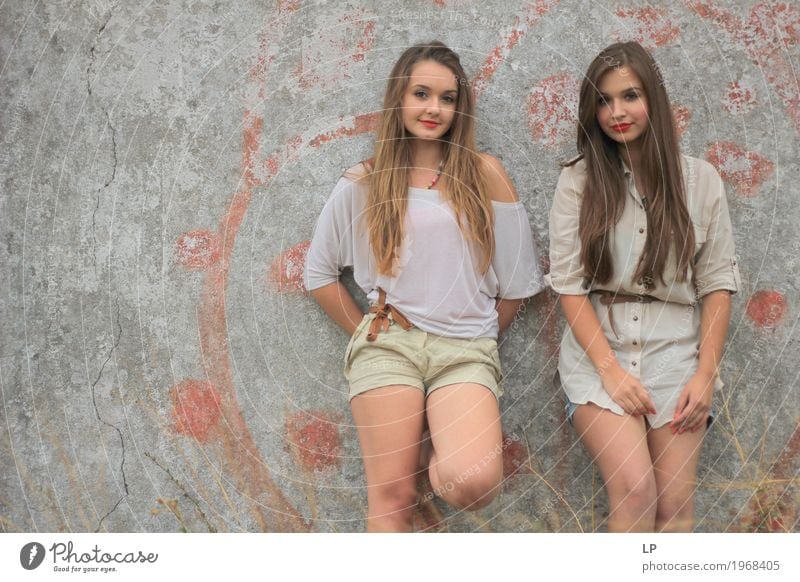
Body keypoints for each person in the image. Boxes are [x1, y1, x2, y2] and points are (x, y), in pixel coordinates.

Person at [304, 41, 545, 532]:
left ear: (460, 108)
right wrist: (367, 330)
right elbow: (318, 275)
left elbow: (518, 283)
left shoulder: (485, 175)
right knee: (393, 498)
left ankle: (437, 426)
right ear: (399, 98)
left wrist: (476, 331)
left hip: (464, 351)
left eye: (447, 98)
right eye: (421, 93)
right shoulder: (365, 182)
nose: (434, 108)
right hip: (389, 347)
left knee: (472, 483)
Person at [547, 41, 740, 532]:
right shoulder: (578, 180)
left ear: (652, 97)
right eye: (604, 100)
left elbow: (717, 284)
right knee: (634, 491)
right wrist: (610, 372)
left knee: (674, 507)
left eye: (629, 95)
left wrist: (705, 373)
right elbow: (568, 285)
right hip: (601, 354)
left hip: (677, 352)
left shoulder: (701, 181)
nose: (617, 112)